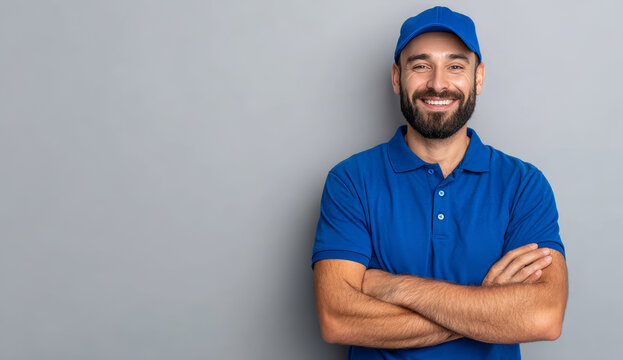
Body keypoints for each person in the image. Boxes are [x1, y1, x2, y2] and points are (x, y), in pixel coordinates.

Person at [311, 6, 568, 360]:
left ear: (478, 78)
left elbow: (544, 316)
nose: (438, 83)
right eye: (420, 65)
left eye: (455, 66)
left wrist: (393, 286)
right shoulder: (350, 181)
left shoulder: (524, 185)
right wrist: (489, 305)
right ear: (397, 77)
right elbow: (338, 319)